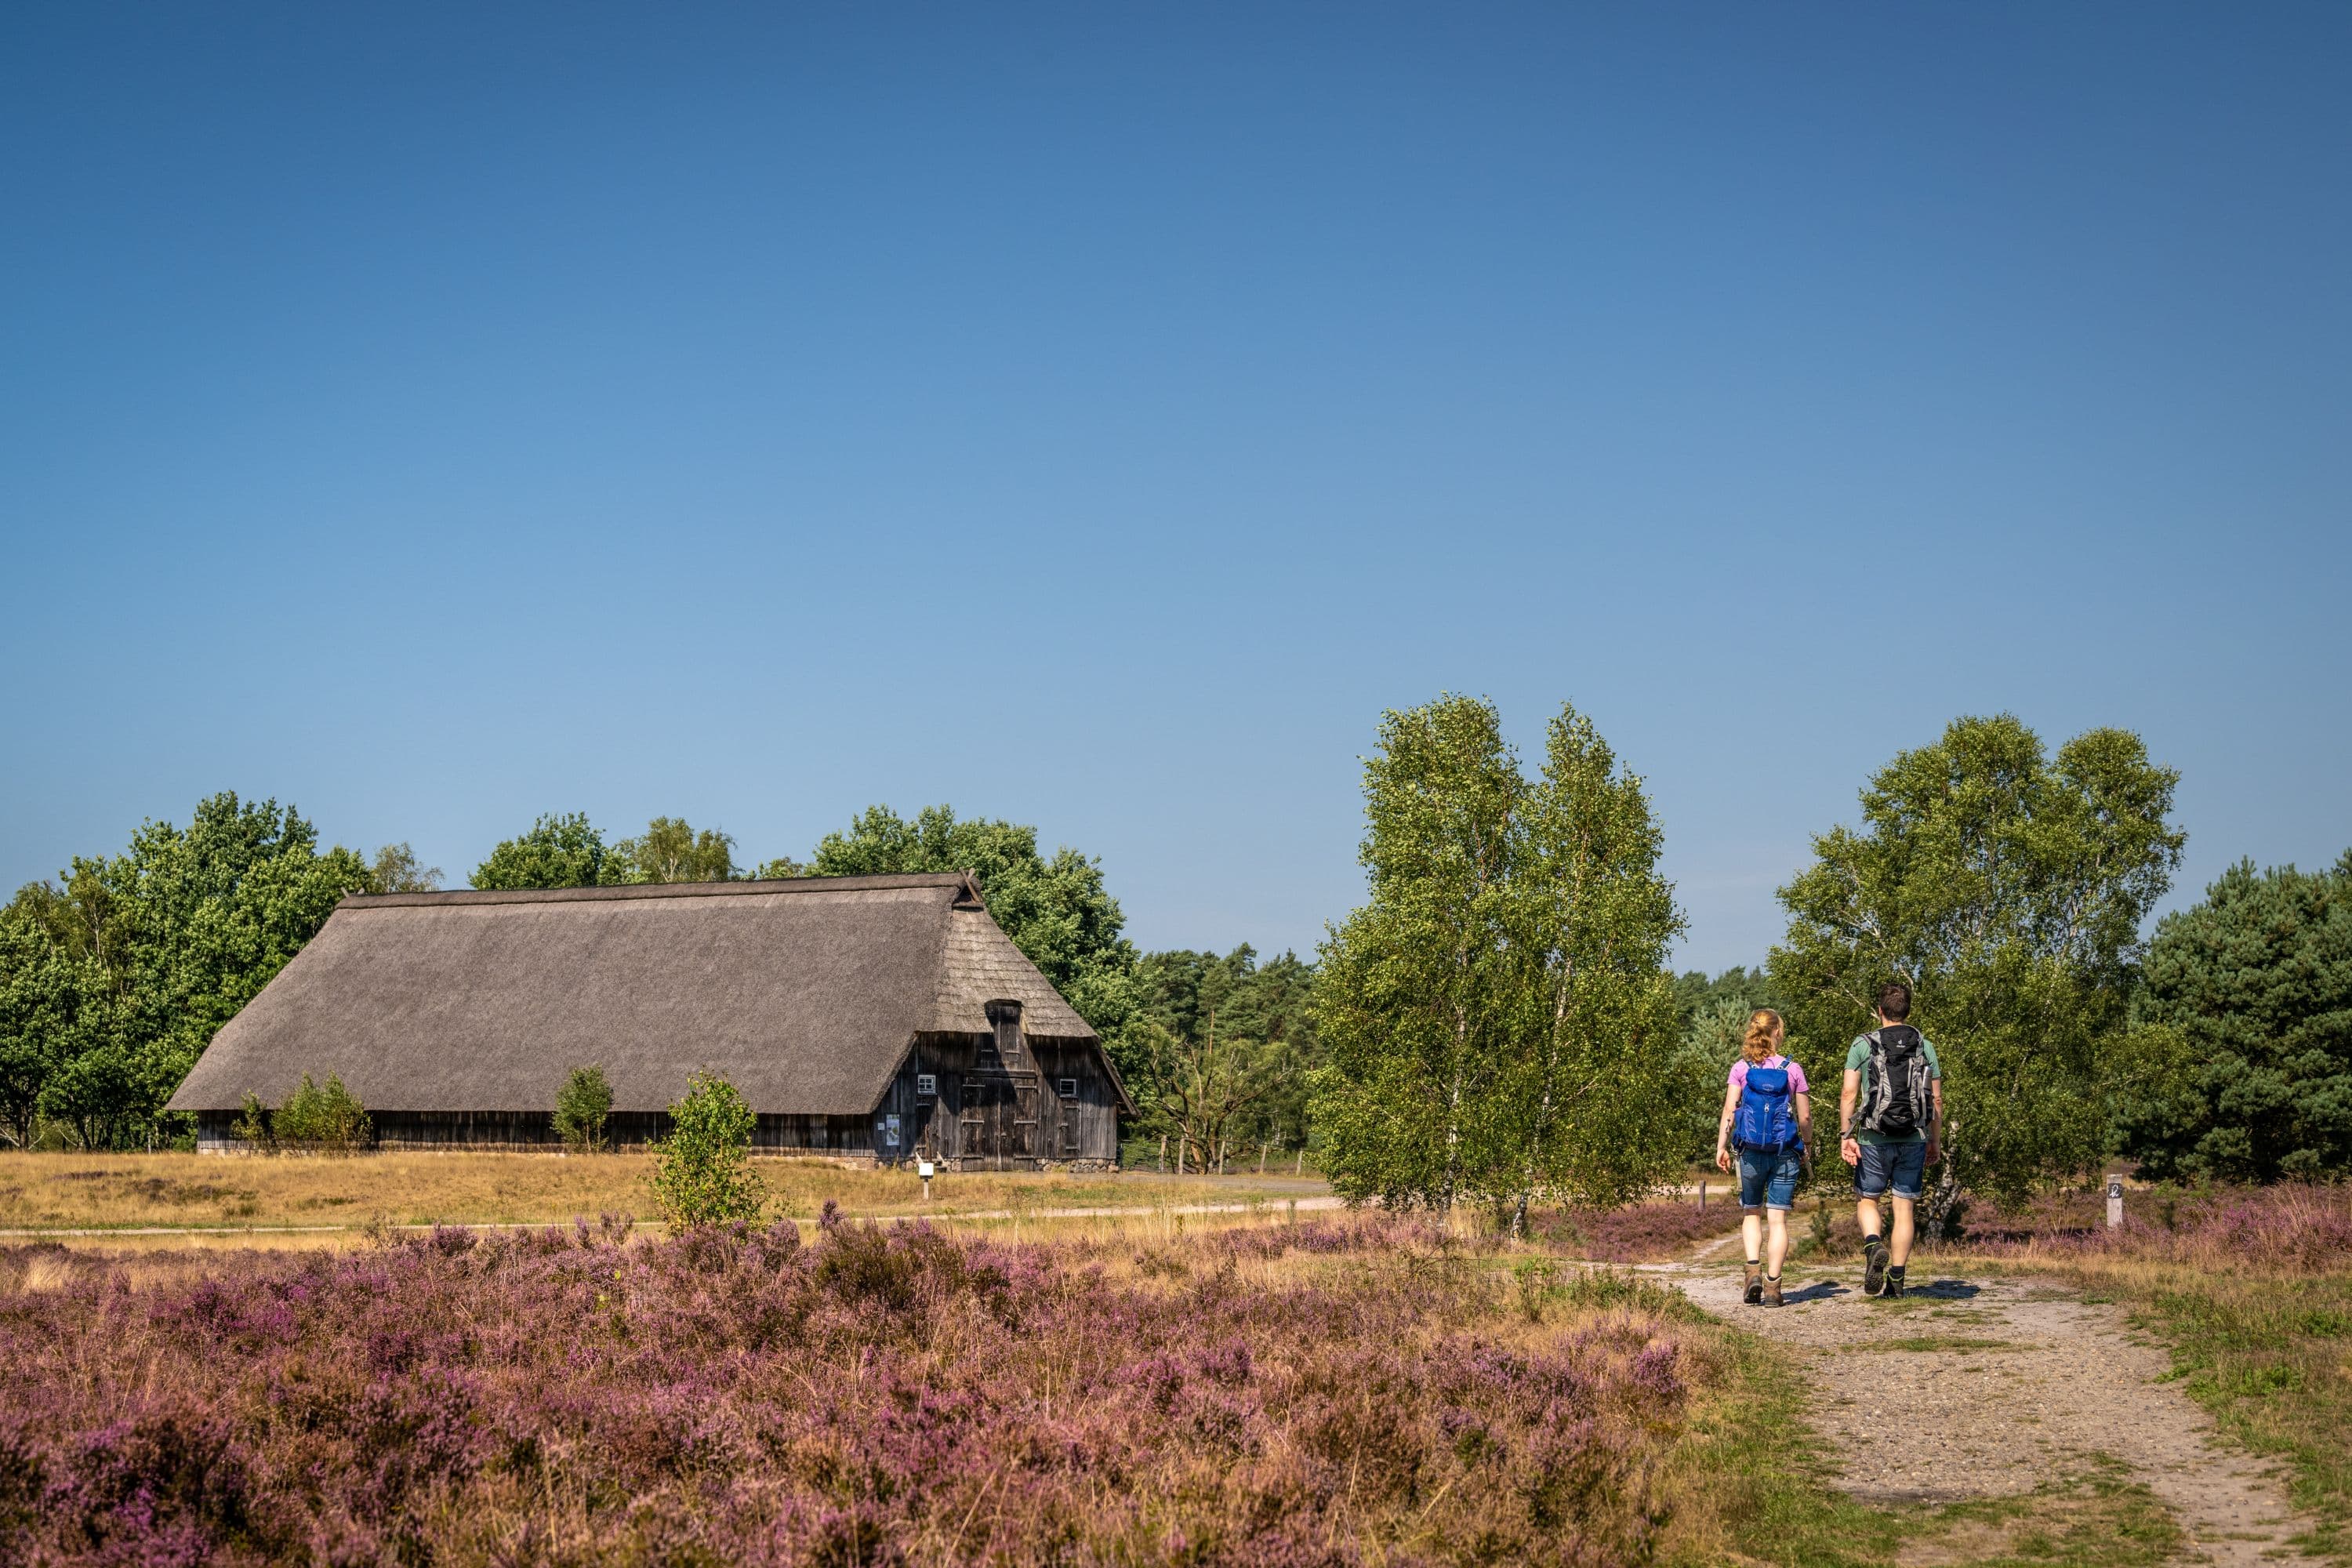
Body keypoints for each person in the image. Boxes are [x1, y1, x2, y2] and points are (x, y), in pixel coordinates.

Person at [1838, 981, 1944, 1298]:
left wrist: (1846, 1136)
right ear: (1907, 1010)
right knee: (1904, 1208)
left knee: (1868, 1200)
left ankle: (1873, 1244)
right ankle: (1896, 1282)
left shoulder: (1863, 1044)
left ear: (1880, 1011)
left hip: (1873, 1136)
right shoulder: (1924, 1045)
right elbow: (1936, 1100)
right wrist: (1934, 1141)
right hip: (1913, 1136)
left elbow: (1848, 1093)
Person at [1715, 1007, 1810, 1307]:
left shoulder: (1741, 1068)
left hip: (1751, 1152)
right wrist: (1806, 1145)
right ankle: (1772, 1288)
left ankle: (1752, 1271)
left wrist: (1721, 1146)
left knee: (1752, 1213)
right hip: (1785, 1152)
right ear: (1778, 1033)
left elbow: (1730, 1111)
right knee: (1778, 1221)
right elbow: (1804, 1117)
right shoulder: (1792, 1069)